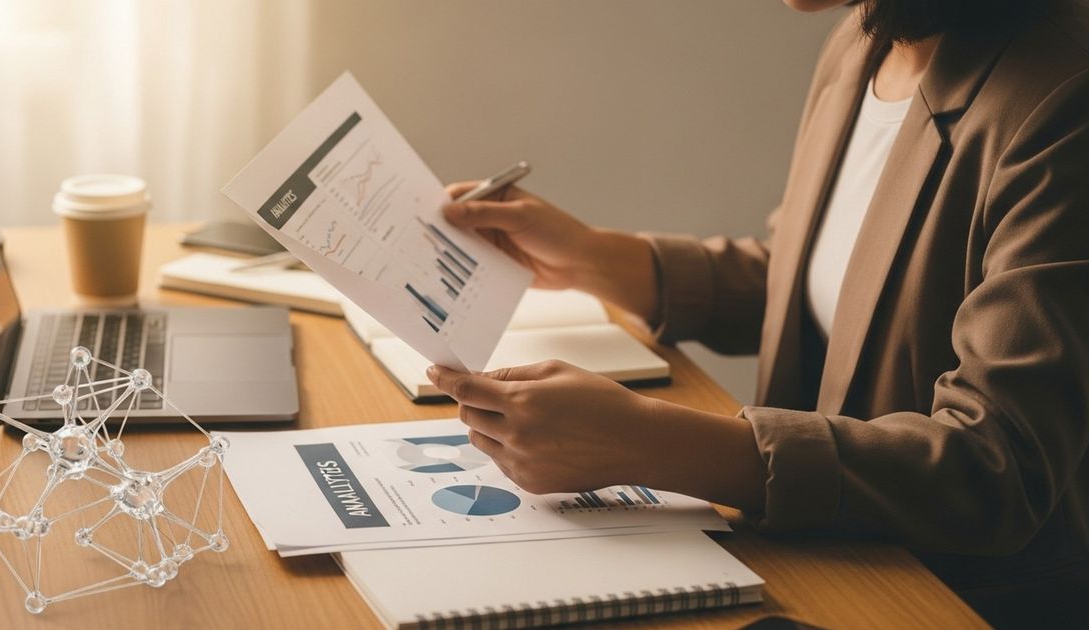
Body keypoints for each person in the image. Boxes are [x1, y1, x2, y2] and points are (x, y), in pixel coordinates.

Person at [425, 0, 1089, 626]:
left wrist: (652, 444)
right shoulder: (864, 40)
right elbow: (839, 288)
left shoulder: (1063, 98)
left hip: (950, 601)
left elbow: (999, 467)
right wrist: (600, 260)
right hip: (825, 564)